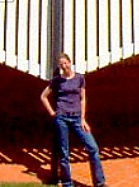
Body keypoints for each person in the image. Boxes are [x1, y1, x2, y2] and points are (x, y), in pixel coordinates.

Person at [40, 53, 108, 187]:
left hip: (77, 118)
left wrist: (83, 119)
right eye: (61, 64)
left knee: (92, 147)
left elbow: (83, 98)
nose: (64, 66)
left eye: (66, 63)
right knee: (64, 152)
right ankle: (67, 183)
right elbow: (43, 96)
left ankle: (99, 182)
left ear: (70, 63)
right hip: (61, 118)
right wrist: (53, 113)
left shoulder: (79, 78)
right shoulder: (57, 80)